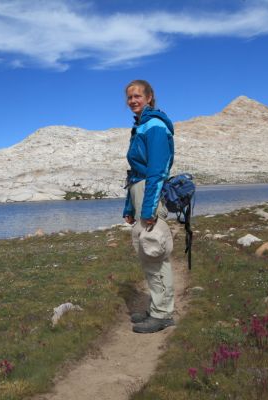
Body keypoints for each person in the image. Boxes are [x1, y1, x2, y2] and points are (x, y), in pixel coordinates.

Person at [122, 79, 176, 334]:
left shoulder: (154, 125)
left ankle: (163, 314)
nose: (133, 100)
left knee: (155, 253)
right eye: (129, 97)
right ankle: (156, 307)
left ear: (150, 97)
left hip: (149, 193)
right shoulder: (141, 125)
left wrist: (148, 210)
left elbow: (156, 170)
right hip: (139, 192)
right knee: (147, 253)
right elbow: (134, 172)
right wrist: (129, 207)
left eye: (137, 96)